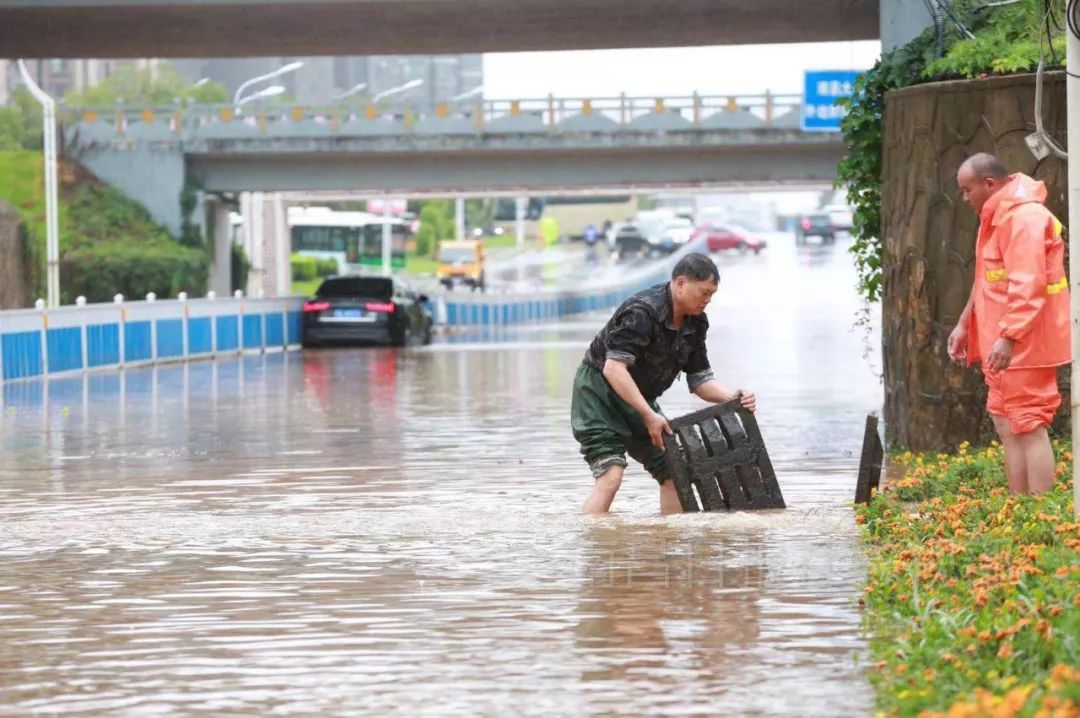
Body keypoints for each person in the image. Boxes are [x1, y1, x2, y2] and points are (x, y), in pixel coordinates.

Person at [571, 252, 756, 514]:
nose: (707, 300)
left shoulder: (696, 323)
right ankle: (594, 547)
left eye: (711, 295)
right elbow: (613, 369)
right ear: (680, 283)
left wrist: (732, 398)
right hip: (599, 394)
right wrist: (649, 415)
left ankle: (667, 545)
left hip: (639, 398)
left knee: (674, 470)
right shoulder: (643, 311)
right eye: (703, 293)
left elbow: (700, 381)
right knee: (610, 476)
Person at [947, 153, 1070, 494]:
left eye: (966, 189)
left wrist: (1010, 337)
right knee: (1007, 424)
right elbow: (987, 279)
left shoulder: (1024, 217)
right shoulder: (996, 217)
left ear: (989, 184)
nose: (964, 197)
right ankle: (1019, 510)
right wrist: (965, 325)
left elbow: (1028, 285)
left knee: (1028, 425)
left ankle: (1038, 513)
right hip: (1002, 343)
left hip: (1025, 343)